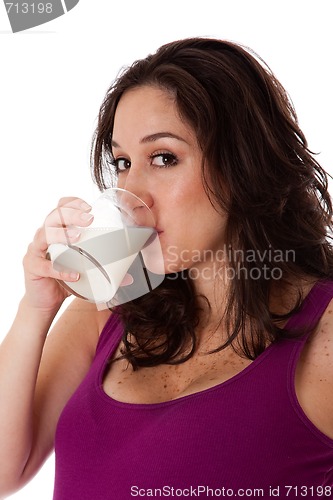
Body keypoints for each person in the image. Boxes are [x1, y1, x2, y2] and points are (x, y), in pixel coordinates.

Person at [1, 37, 333, 500]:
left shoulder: (325, 331)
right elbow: (5, 472)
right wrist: (35, 306)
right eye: (122, 162)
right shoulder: (108, 311)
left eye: (163, 158)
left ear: (243, 164)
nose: (132, 190)